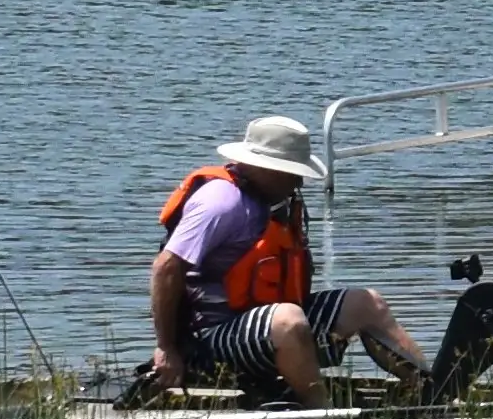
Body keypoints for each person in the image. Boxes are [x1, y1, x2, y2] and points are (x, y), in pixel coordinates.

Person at [143, 119, 427, 403]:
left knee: (367, 303)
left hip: (274, 325)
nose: (299, 182)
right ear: (261, 166)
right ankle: (324, 417)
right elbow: (166, 268)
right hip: (211, 340)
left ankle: (431, 388)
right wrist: (167, 348)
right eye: (291, 173)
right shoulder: (220, 203)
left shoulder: (276, 199)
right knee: (288, 320)